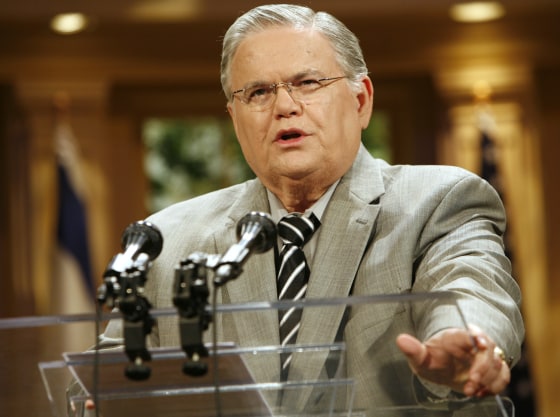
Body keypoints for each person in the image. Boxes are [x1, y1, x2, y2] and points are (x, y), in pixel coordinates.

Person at [93, 4, 524, 416]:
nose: (284, 107)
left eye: (308, 83)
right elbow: (103, 383)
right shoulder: (166, 240)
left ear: (361, 102)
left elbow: (472, 286)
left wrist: (465, 340)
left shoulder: (437, 201)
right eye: (258, 92)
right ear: (235, 119)